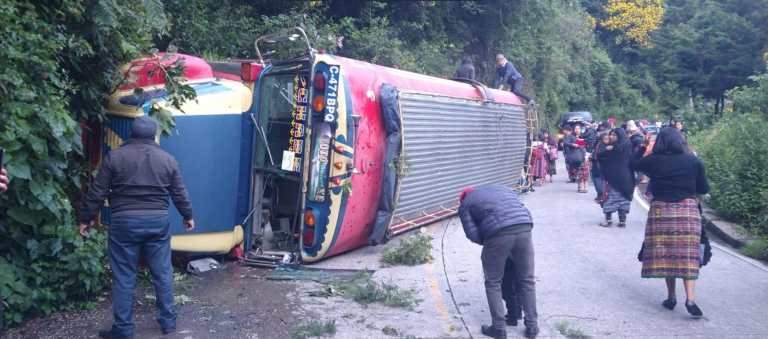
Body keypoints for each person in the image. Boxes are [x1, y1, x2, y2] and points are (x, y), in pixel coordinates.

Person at [79, 117, 195, 339]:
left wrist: (86, 218)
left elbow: (98, 191)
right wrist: (187, 215)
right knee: (162, 272)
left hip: (124, 222)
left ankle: (123, 329)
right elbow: (180, 192)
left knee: (124, 276)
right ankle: (168, 323)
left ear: (131, 134)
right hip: (157, 222)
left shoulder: (115, 157)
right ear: (154, 136)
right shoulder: (168, 160)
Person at [631, 127, 709, 318]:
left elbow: (632, 165)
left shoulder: (654, 161)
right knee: (687, 256)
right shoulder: (693, 161)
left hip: (661, 212)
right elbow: (703, 188)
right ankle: (690, 298)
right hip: (687, 211)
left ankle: (671, 296)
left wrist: (643, 147)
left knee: (668, 253)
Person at [459, 185, 538, 339]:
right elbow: (523, 211)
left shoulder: (465, 204)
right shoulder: (503, 190)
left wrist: (493, 243)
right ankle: (532, 326)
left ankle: (499, 328)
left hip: (498, 234)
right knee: (527, 280)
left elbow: (472, 234)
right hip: (525, 228)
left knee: (493, 282)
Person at [596, 128, 635, 227]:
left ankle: (608, 221)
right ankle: (622, 221)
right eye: (611, 135)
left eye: (614, 135)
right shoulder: (628, 145)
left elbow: (600, 157)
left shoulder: (613, 148)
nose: (611, 137)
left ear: (619, 136)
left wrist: (606, 149)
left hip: (612, 178)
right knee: (623, 198)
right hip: (626, 178)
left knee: (609, 198)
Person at [590, 132, 610, 203]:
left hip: (604, 166)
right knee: (596, 180)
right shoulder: (599, 145)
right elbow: (595, 154)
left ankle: (601, 194)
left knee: (600, 180)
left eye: (608, 139)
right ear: (601, 139)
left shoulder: (610, 146)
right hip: (597, 165)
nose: (607, 140)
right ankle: (600, 194)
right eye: (605, 139)